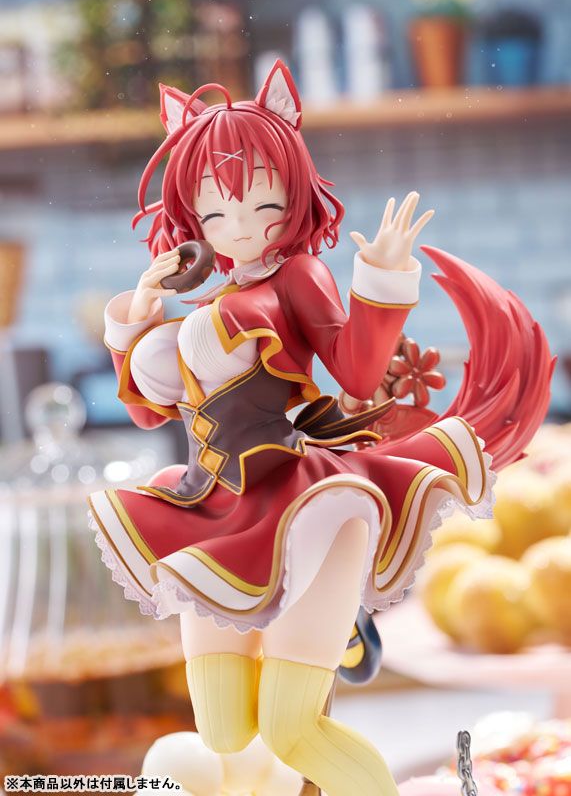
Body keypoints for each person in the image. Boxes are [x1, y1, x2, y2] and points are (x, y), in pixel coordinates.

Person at [87, 60, 552, 796]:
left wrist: (381, 280)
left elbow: (356, 374)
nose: (240, 226)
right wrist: (134, 323)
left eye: (261, 203)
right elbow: (149, 412)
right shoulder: (207, 299)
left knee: (292, 728)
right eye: (216, 214)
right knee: (222, 732)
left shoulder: (299, 275)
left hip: (302, 508)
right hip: (211, 506)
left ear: (295, 191)